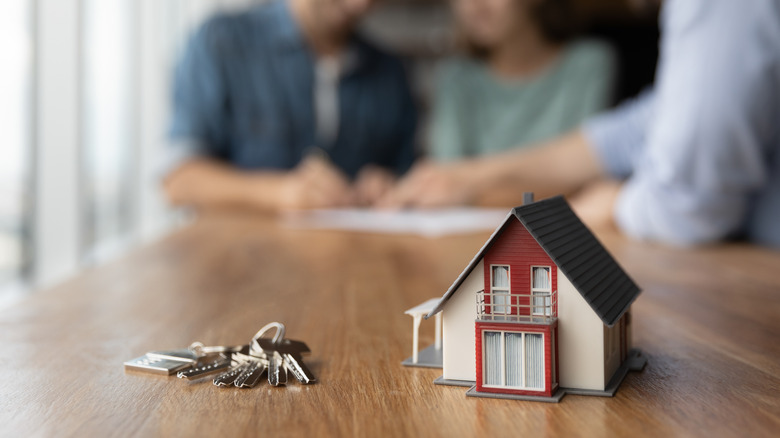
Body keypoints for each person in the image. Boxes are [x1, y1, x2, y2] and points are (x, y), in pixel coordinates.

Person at [379, 0, 780, 248]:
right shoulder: (458, 76)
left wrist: (619, 204)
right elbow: (653, 121)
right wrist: (476, 176)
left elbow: (694, 204)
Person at [163, 0, 417, 212]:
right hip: (242, 261)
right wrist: (278, 193)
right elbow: (179, 180)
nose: (358, 5)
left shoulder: (390, 71)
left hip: (357, 261)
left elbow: (405, 177)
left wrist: (387, 186)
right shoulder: (221, 43)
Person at [430, 0, 615, 162]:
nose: (475, 4)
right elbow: (446, 180)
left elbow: (587, 168)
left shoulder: (587, 64)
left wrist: (470, 184)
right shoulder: (457, 78)